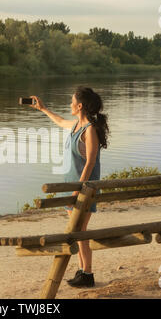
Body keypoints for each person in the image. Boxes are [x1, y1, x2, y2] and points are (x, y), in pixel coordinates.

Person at [28, 86, 109, 287]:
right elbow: (60, 121)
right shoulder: (75, 126)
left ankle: (87, 274)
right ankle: (82, 271)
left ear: (79, 106)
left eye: (71, 102)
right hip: (72, 188)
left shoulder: (90, 130)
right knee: (76, 231)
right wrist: (43, 109)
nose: (69, 104)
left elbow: (90, 162)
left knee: (80, 231)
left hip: (83, 190)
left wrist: (77, 190)